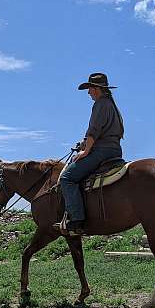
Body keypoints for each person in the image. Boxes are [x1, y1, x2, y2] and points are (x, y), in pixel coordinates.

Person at [57, 72, 125, 234]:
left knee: (67, 178)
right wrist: (83, 144)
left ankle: (77, 220)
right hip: (114, 149)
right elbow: (101, 132)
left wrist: (85, 151)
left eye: (89, 89)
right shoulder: (112, 105)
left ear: (96, 89)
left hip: (101, 151)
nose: (88, 93)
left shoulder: (100, 104)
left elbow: (94, 131)